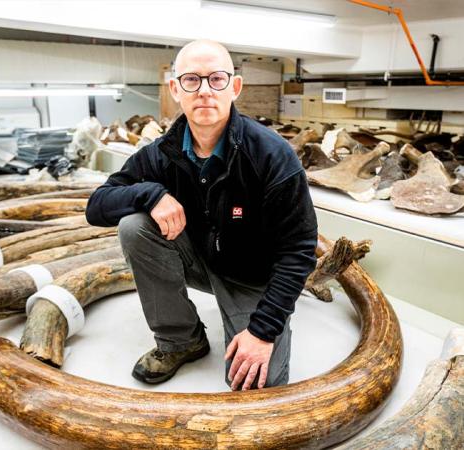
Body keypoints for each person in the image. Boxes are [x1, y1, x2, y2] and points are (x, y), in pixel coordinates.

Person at [86, 39, 317, 391]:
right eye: (192, 80)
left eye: (217, 79)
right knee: (135, 225)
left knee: (258, 384)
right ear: (175, 88)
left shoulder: (272, 155)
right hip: (198, 258)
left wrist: (263, 330)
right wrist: (151, 194)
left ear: (234, 87)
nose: (205, 91)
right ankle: (181, 340)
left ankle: (253, 322)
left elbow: (299, 249)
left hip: (252, 277)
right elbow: (97, 205)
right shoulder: (160, 153)